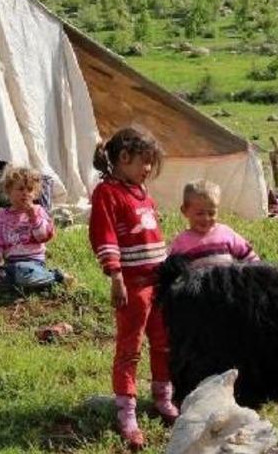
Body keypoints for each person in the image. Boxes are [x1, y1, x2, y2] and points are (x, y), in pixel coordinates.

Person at [88, 127, 177, 450]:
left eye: (152, 163)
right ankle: (127, 412)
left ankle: (163, 398)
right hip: (133, 285)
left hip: (158, 284)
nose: (148, 169)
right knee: (130, 348)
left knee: (164, 342)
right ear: (123, 158)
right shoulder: (107, 194)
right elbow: (105, 235)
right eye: (145, 161)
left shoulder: (142, 193)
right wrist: (115, 276)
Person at [0, 166, 72, 291]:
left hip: (33, 263)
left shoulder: (38, 211)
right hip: (11, 264)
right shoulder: (1, 216)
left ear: (35, 194)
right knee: (0, 279)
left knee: (24, 275)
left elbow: (44, 236)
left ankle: (56, 276)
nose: (25, 193)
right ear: (8, 190)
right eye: (20, 189)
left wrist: (34, 217)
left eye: (30, 189)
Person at [169, 180, 260, 267]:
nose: (206, 218)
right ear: (185, 211)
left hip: (227, 281)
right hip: (200, 282)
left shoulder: (226, 234)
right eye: (199, 213)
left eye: (211, 213)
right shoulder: (181, 242)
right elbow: (170, 269)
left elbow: (249, 256)